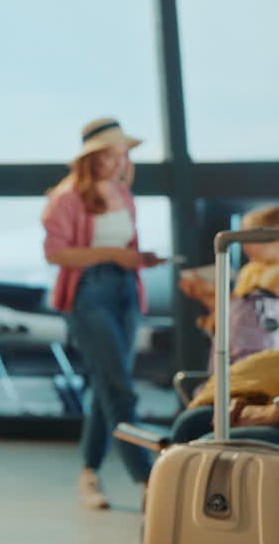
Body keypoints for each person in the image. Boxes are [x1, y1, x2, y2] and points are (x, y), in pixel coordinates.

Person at [42, 117, 166, 510]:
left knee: (105, 388)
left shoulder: (124, 193)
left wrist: (138, 259)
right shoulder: (66, 197)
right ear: (91, 158)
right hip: (89, 293)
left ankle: (89, 474)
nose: (118, 162)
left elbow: (124, 247)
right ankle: (148, 480)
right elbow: (56, 254)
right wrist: (113, 254)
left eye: (122, 154)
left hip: (126, 289)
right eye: (110, 154)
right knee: (119, 389)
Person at [169, 204, 279, 444]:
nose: (246, 246)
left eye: (253, 238)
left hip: (262, 371)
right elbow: (237, 322)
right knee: (192, 422)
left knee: (205, 435)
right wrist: (209, 298)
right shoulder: (250, 274)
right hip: (245, 368)